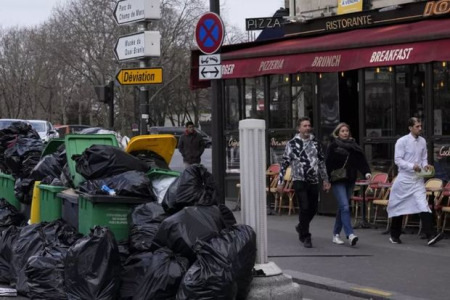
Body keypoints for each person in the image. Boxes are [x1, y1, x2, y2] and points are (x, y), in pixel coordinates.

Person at [387, 117, 443, 246]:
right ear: (410, 128)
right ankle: (394, 235)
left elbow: (423, 158)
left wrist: (426, 166)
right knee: (399, 207)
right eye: (417, 126)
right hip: (404, 179)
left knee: (423, 204)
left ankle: (430, 236)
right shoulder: (402, 141)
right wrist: (412, 166)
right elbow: (398, 160)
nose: (420, 128)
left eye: (420, 126)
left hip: (417, 179)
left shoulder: (423, 141)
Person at [277, 117, 331, 248]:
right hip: (299, 180)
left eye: (309, 125)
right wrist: (280, 181)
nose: (307, 128)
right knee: (304, 207)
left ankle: (301, 226)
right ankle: (306, 236)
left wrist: (326, 179)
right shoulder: (292, 144)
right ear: (299, 128)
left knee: (313, 208)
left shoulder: (316, 143)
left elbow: (321, 162)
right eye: (305, 126)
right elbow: (284, 163)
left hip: (313, 180)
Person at [325, 123, 372, 246]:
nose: (345, 133)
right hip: (337, 180)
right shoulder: (333, 146)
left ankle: (335, 234)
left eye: (347, 131)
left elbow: (361, 161)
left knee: (342, 207)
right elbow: (327, 163)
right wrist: (327, 180)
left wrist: (366, 172)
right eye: (342, 131)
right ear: (337, 133)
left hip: (350, 179)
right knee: (345, 206)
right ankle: (350, 234)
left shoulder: (354, 146)